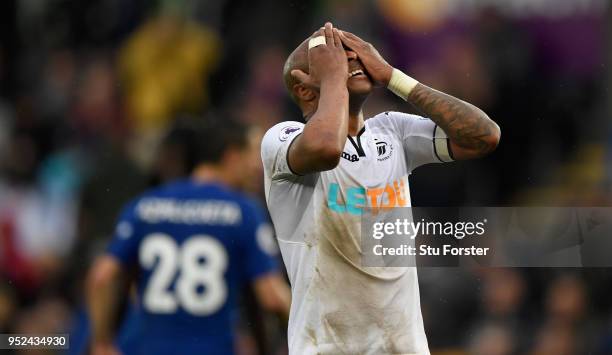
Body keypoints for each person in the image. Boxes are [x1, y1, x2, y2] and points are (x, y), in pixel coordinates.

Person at [261, 22, 500, 354]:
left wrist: (393, 77)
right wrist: (334, 80)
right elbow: (327, 149)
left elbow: (484, 136)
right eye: (333, 56)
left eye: (354, 53)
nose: (352, 59)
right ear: (303, 88)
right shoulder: (281, 140)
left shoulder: (393, 131)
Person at [87, 118, 291, 355]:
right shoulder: (242, 211)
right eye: (255, 154)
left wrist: (102, 342)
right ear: (232, 156)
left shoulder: (145, 205)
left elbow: (102, 277)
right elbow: (272, 297)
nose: (260, 167)